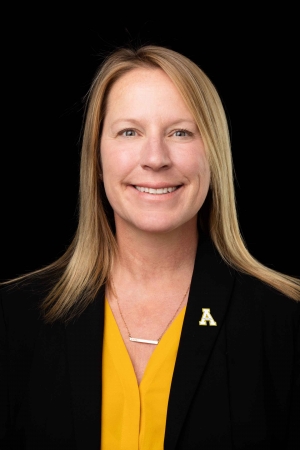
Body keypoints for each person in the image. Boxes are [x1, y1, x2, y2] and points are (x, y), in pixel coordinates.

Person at [0, 44, 299, 450]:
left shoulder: (285, 323)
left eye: (180, 132)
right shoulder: (13, 319)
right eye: (129, 132)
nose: (155, 158)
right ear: (97, 156)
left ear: (214, 154)